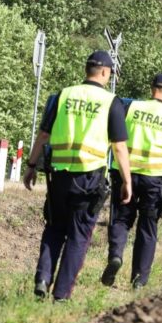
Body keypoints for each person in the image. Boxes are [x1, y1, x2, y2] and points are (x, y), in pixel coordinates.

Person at [23, 51, 132, 301]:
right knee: (78, 236)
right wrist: (126, 181)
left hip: (59, 176)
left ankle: (42, 278)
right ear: (105, 72)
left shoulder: (63, 95)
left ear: (87, 70)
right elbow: (119, 147)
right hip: (89, 179)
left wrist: (31, 165)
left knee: (54, 228)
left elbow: (43, 135)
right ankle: (61, 295)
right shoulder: (110, 102)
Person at [102, 72, 162, 289]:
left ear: (151, 89)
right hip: (154, 181)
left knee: (120, 219)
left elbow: (114, 137)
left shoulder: (130, 108)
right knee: (147, 228)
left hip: (125, 175)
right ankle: (139, 280)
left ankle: (116, 255)